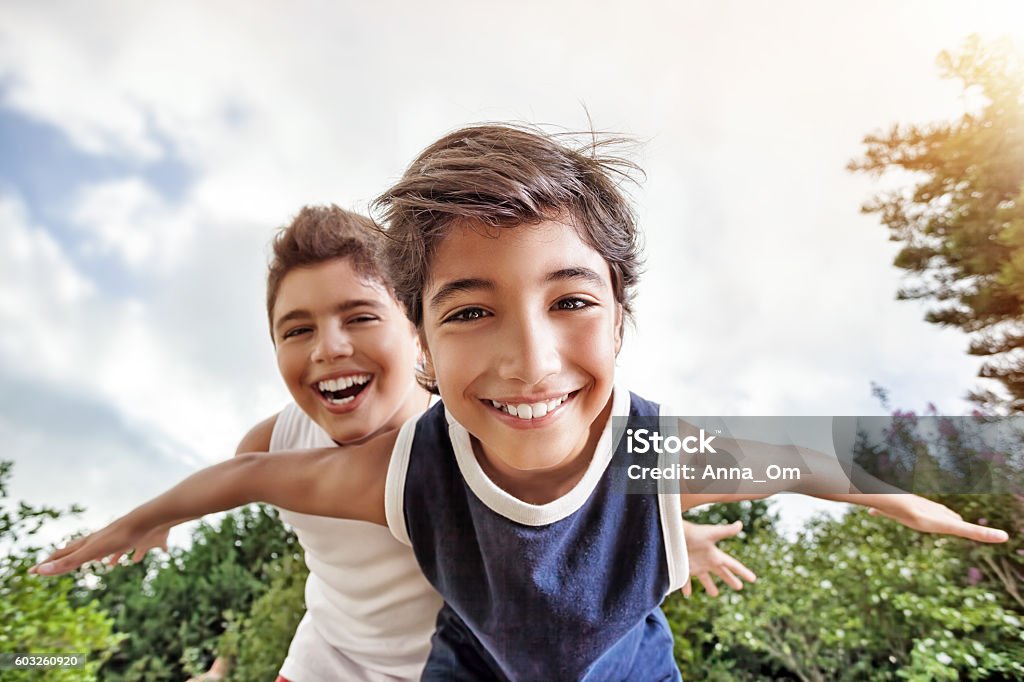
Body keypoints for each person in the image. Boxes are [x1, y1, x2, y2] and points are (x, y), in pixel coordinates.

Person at [32, 125, 1007, 680]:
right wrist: (144, 518)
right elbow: (249, 474)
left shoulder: (647, 458)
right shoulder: (404, 471)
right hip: (475, 665)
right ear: (421, 343)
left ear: (621, 318)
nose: (529, 358)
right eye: (470, 311)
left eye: (571, 301)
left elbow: (821, 455)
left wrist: (904, 495)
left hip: (620, 659)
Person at [61, 203, 756, 682]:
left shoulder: (482, 428)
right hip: (328, 658)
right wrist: (158, 519)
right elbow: (237, 477)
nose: (330, 348)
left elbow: (581, 506)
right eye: (296, 330)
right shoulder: (277, 441)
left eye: (359, 317)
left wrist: (664, 533)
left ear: (415, 329)